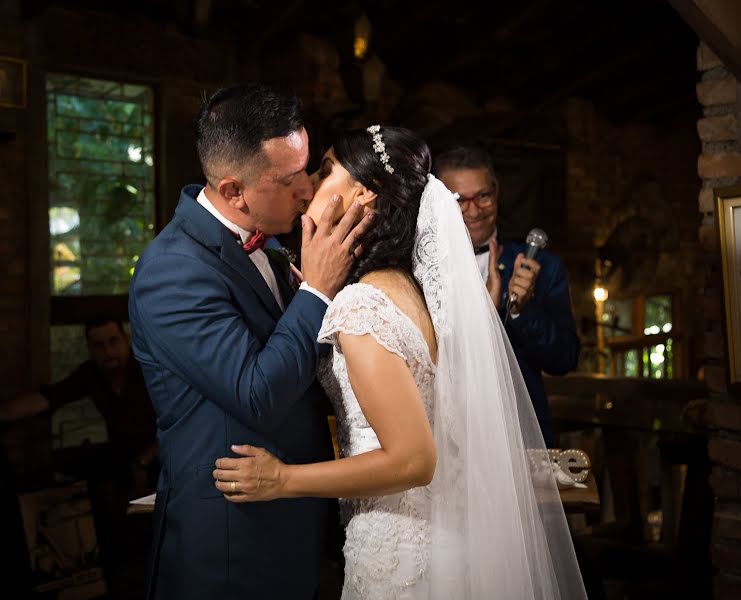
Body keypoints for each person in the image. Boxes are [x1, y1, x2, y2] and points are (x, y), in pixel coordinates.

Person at [212, 126, 587, 599]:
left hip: (401, 551)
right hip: (439, 533)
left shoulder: (362, 306)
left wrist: (282, 479)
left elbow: (413, 458)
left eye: (326, 172)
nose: (308, 187)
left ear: (364, 198)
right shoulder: (412, 288)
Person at [128, 84, 373, 600]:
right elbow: (256, 393)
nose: (307, 190)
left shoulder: (276, 238)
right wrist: (318, 290)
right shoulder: (172, 271)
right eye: (289, 179)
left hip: (295, 517)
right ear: (234, 190)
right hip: (231, 541)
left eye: (307, 168)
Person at [0, 315, 157, 597]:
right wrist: (4, 414)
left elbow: (179, 421)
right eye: (98, 346)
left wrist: (145, 460)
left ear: (126, 341)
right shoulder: (92, 375)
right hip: (123, 457)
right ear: (89, 349)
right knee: (76, 471)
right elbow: (49, 397)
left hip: (163, 455)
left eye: (112, 342)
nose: (107, 351)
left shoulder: (148, 369)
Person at [433, 146, 580, 447]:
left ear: (496, 192)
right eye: (459, 200)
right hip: (443, 441)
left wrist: (520, 312)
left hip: (519, 439)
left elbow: (564, 359)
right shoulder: (418, 270)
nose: (473, 211)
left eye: (483, 196)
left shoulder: (540, 266)